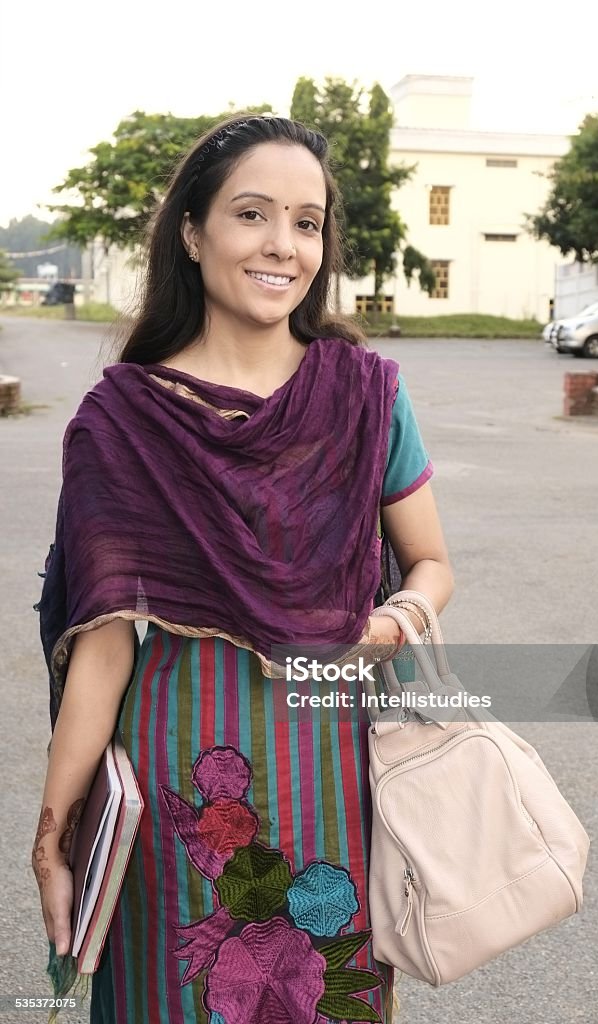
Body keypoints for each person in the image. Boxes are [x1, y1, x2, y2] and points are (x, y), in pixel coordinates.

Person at [32, 113, 454, 1024]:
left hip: (333, 770)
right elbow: (103, 648)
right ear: (192, 232)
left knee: (322, 992)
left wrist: (389, 623)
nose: (283, 246)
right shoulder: (125, 421)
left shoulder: (363, 394)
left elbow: (427, 564)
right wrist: (54, 831)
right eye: (253, 214)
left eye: (307, 223)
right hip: (181, 786)